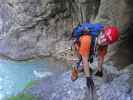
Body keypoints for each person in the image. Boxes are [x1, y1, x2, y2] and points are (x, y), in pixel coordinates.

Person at [71, 23, 119, 89]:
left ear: (109, 43)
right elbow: (85, 60)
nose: (103, 40)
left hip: (90, 46)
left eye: (107, 40)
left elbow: (101, 57)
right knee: (81, 59)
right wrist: (88, 78)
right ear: (102, 32)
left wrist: (99, 70)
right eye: (104, 36)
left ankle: (84, 67)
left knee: (90, 55)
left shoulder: (104, 44)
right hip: (78, 45)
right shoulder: (87, 39)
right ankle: (75, 69)